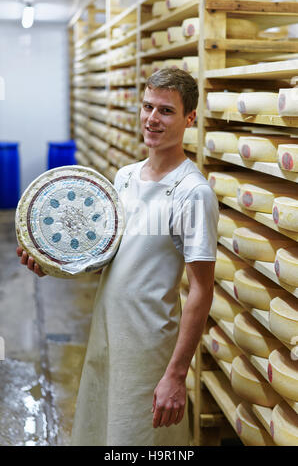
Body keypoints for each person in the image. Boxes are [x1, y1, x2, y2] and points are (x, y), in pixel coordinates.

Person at [17, 68, 219, 446]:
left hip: (149, 343)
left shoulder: (192, 193)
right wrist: (51, 262)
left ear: (189, 118)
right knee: (101, 429)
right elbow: (107, 256)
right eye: (147, 107)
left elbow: (201, 291)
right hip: (107, 332)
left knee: (139, 439)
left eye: (166, 111)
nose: (152, 119)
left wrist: (175, 374)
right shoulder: (125, 178)